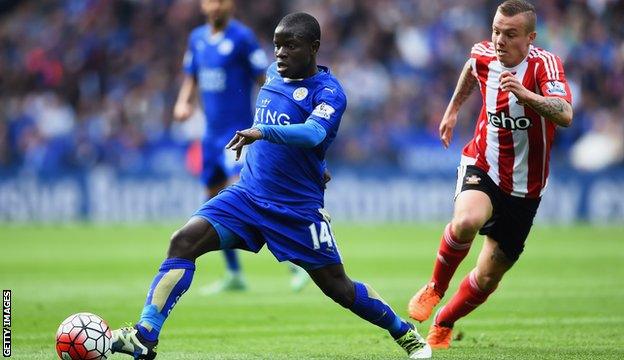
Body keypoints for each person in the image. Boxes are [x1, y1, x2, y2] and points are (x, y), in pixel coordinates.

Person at [110, 12, 431, 360]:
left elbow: (312, 133)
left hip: (295, 210)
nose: (279, 53)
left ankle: (404, 332)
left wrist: (266, 133)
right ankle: (145, 337)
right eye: (277, 45)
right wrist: (310, 161)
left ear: (314, 48)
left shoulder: (329, 92)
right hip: (247, 196)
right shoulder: (273, 77)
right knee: (183, 241)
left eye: (290, 46)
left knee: (339, 288)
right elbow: (284, 127)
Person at [407, 0, 573, 349]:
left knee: (487, 276)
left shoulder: (546, 66)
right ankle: (435, 287)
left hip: (525, 188)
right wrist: (452, 110)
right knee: (466, 220)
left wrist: (527, 95)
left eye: (510, 34)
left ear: (530, 38)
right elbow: (471, 68)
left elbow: (565, 113)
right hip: (484, 162)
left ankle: (445, 321)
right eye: (496, 30)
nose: (499, 39)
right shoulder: (484, 54)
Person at [173, 0, 309, 294]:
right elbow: (192, 76)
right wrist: (184, 101)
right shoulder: (197, 38)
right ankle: (234, 273)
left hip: (237, 135)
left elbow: (266, 78)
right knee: (212, 201)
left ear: (231, 5)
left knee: (251, 197)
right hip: (209, 137)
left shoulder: (242, 38)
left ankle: (296, 263)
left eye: (221, 1)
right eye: (210, 1)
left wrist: (273, 115)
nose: (215, 6)